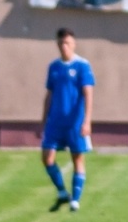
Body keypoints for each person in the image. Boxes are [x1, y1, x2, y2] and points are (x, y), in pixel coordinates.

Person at [40, 28, 94, 211]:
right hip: (55, 122)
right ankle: (62, 192)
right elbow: (49, 95)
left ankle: (75, 200)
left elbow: (88, 94)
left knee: (77, 158)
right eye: (61, 43)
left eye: (67, 43)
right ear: (57, 44)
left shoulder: (82, 65)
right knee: (47, 157)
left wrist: (87, 121)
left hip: (75, 123)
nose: (64, 46)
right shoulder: (54, 67)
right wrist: (43, 121)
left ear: (74, 44)